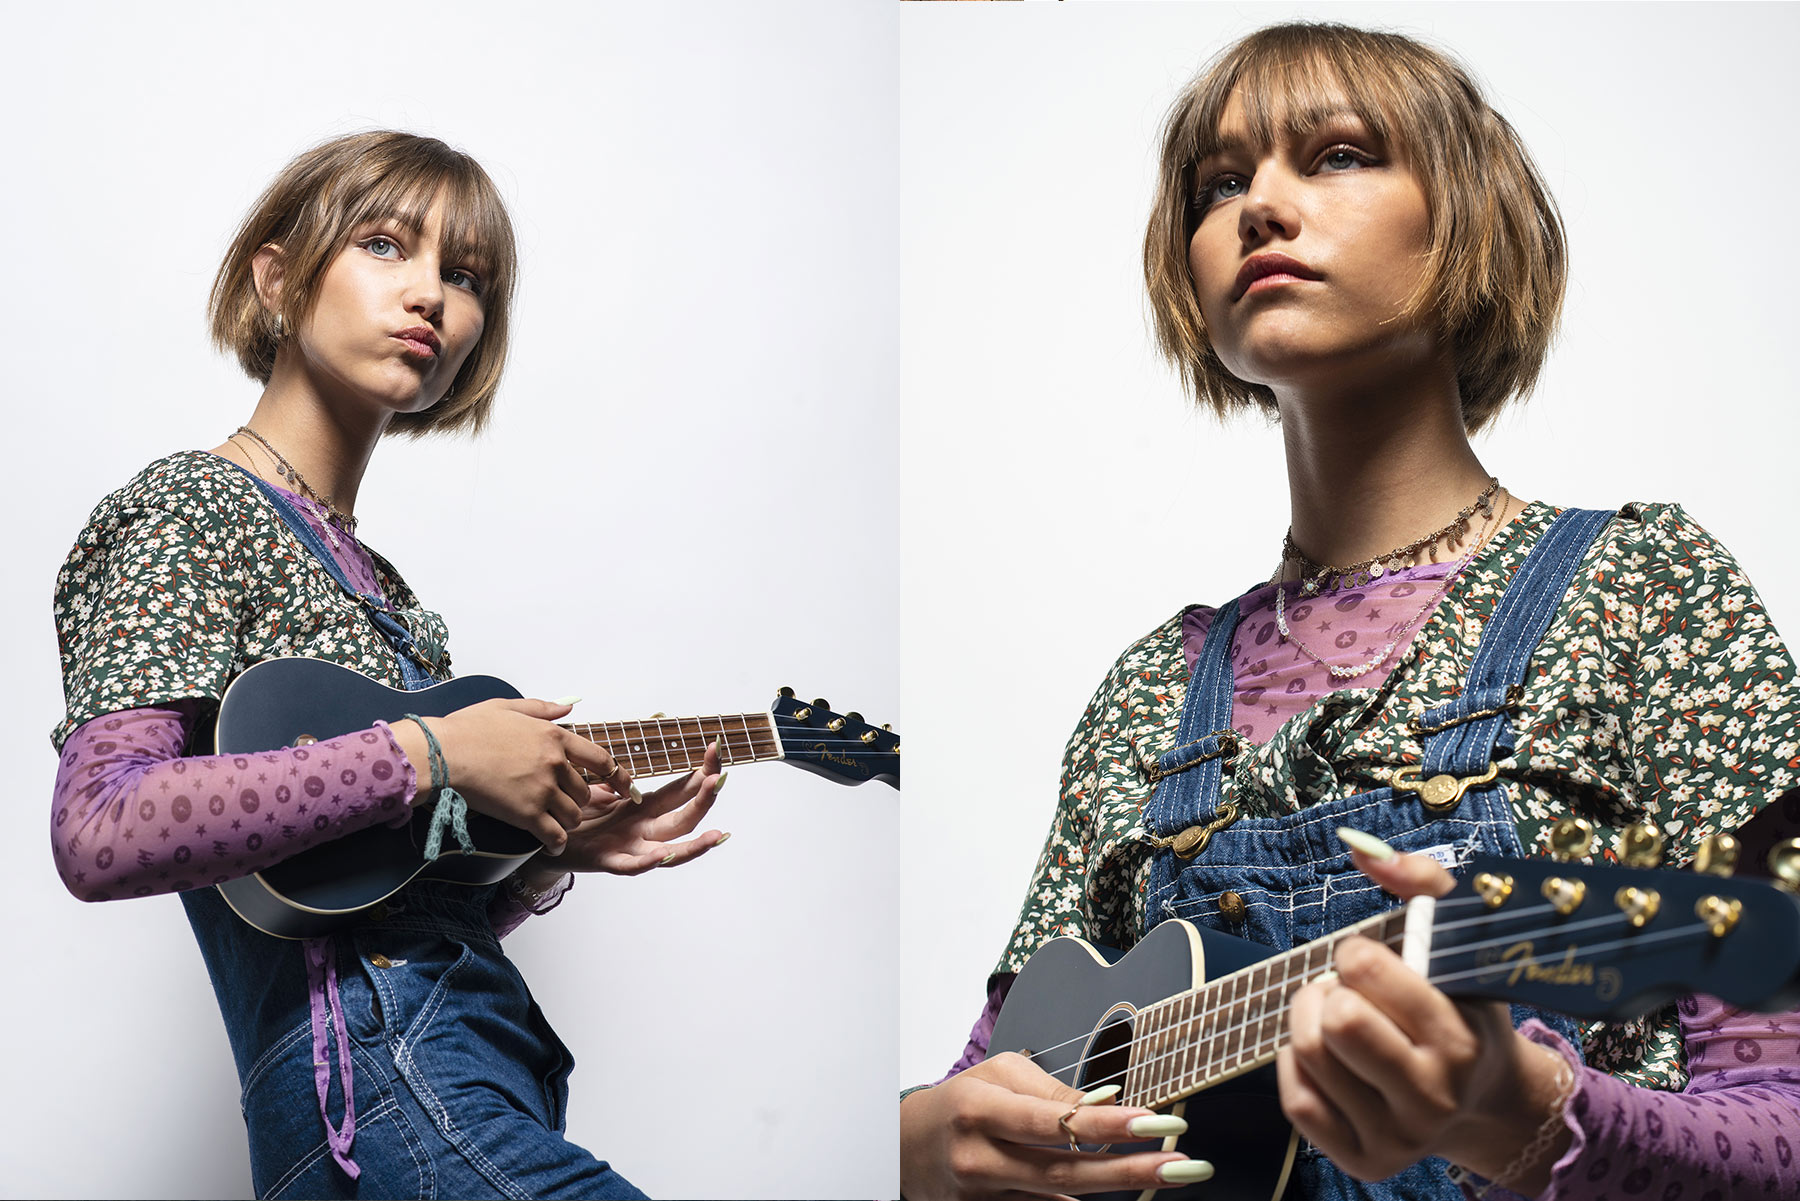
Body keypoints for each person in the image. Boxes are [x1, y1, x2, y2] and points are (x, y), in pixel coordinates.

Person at [899, 21, 1800, 1201]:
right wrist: (910, 1150)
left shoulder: (1644, 590)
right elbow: (1004, 1084)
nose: (1262, 208)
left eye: (1337, 155)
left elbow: (1784, 1114)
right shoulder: (1149, 691)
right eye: (1220, 184)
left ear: (1468, 217)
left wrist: (1533, 1119)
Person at [49, 130, 727, 1200]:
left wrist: (545, 853)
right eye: (383, 245)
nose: (430, 296)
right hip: (382, 1092)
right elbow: (102, 825)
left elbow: (377, 902)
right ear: (278, 279)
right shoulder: (190, 507)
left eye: (467, 277)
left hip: (469, 1074)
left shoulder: (387, 594)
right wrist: (435, 751)